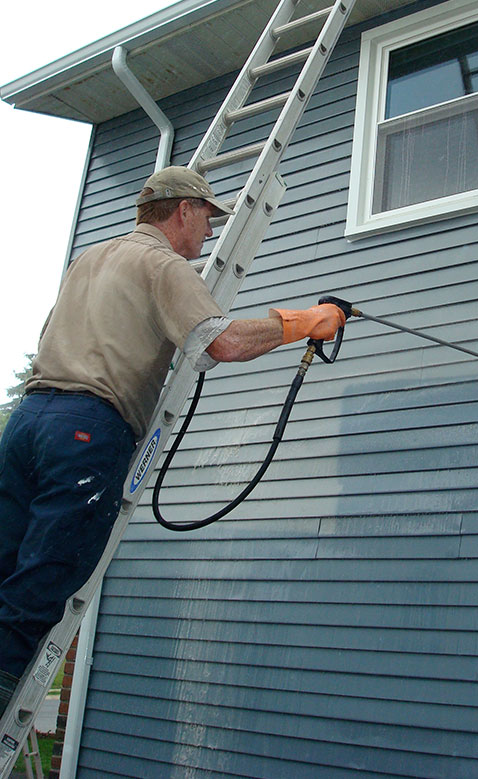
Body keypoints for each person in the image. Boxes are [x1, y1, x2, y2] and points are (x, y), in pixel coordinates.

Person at [0, 165, 345, 714]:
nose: (210, 231)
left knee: (5, 562)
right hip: (86, 432)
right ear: (184, 209)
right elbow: (225, 343)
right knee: (42, 583)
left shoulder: (89, 259)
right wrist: (306, 321)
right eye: (208, 216)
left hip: (28, 424)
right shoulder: (164, 265)